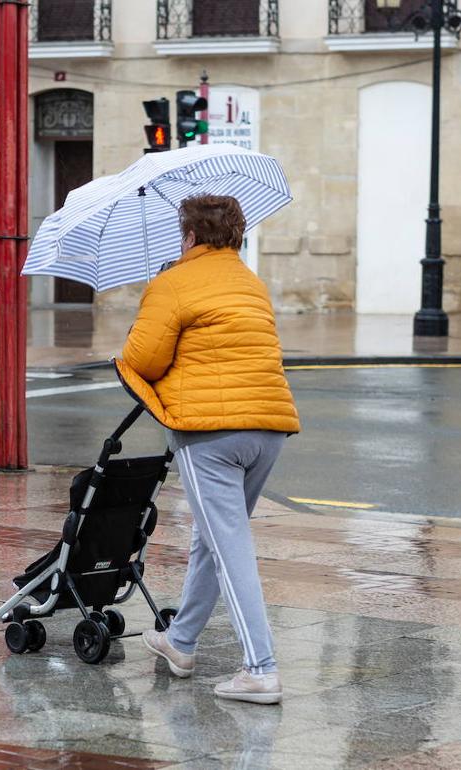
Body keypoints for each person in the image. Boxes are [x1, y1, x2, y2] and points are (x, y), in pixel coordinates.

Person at [115, 195, 300, 705]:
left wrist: (144, 314)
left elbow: (144, 360)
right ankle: (180, 640)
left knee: (228, 547)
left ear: (191, 237)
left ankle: (260, 668)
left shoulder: (172, 283)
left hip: (210, 433)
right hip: (268, 428)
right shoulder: (251, 283)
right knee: (213, 538)